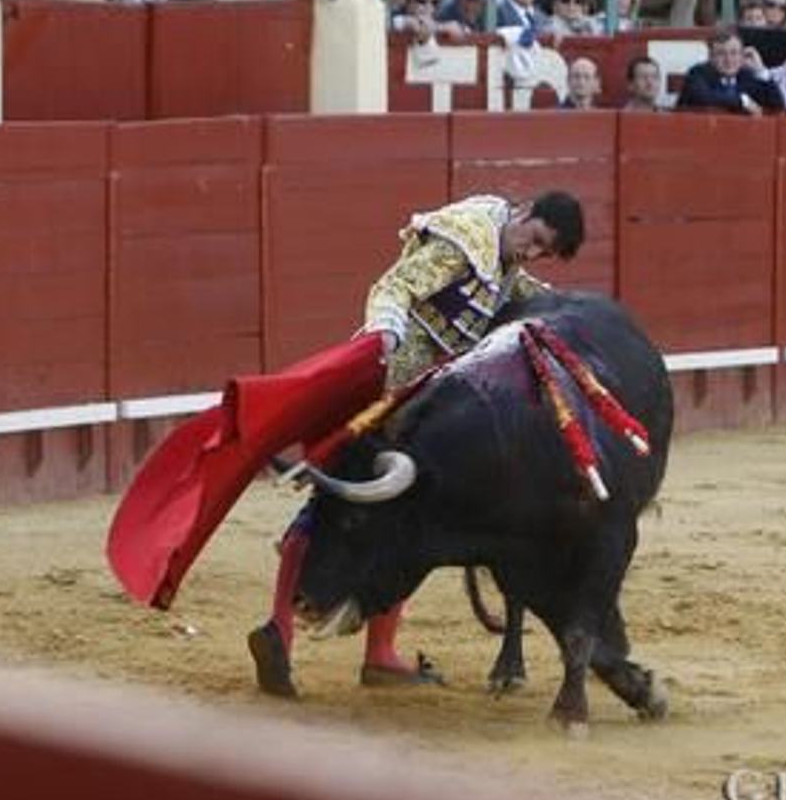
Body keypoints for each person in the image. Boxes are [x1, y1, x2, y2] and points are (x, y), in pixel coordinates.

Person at [247, 191, 587, 699]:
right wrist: (385, 331)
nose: (531, 253)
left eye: (543, 251)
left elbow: (518, 295)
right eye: (534, 240)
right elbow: (395, 285)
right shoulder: (468, 237)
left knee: (401, 520)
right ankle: (282, 630)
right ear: (523, 213)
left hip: (427, 407)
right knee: (337, 506)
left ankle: (375, 654)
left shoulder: (504, 256)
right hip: (388, 394)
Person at [676, 26, 785, 113]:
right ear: (710, 57)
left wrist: (761, 70)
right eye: (721, 54)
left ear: (742, 55)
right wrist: (742, 101)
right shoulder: (697, 73)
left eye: (734, 53)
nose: (728, 60)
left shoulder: (748, 76)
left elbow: (778, 105)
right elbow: (704, 97)